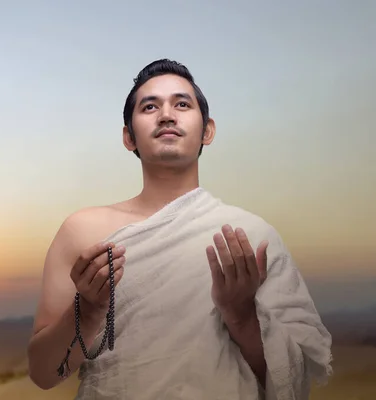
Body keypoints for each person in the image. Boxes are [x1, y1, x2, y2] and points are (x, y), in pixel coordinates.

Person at [27, 59, 332, 399]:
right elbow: (42, 372)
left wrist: (242, 315)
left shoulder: (251, 236)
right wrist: (89, 310)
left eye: (182, 104)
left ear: (207, 131)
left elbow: (295, 380)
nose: (167, 115)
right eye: (150, 106)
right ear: (129, 137)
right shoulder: (82, 233)